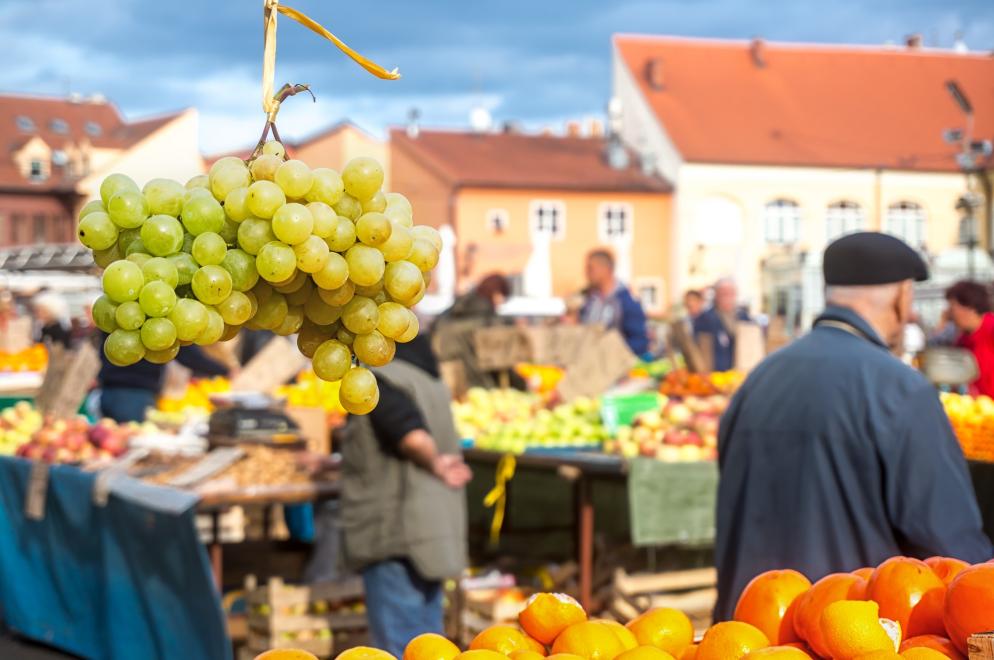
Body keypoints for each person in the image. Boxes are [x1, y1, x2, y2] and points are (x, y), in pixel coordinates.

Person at [714, 232, 992, 620]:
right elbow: (954, 548)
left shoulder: (758, 380)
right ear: (900, 295)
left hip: (747, 632)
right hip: (844, 633)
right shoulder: (899, 388)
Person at [337, 334, 470, 656]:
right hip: (432, 530)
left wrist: (435, 463)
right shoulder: (427, 375)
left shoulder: (379, 380)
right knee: (428, 643)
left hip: (396, 533)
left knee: (400, 645)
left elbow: (410, 434)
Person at [97, 336, 232, 422]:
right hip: (134, 394)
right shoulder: (156, 312)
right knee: (130, 444)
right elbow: (186, 355)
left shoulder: (121, 307)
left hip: (107, 391)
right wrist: (225, 370)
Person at [431, 273, 513, 388]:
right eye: (503, 298)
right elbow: (500, 359)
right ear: (496, 294)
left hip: (444, 378)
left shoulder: (458, 307)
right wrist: (521, 384)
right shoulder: (488, 318)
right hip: (477, 382)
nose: (501, 303)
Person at [579, 249, 649, 356]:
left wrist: (612, 352)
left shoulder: (626, 301)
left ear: (605, 269)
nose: (586, 273)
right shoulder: (588, 299)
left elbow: (639, 341)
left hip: (615, 367)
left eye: (590, 268)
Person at [945, 280, 994, 397]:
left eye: (952, 307)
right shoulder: (961, 341)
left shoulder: (991, 328)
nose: (949, 314)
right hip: (980, 411)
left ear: (969, 307)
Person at [693, 278, 751, 372]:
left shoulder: (743, 317)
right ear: (716, 295)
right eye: (723, 294)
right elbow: (700, 349)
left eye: (731, 293)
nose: (727, 298)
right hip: (715, 375)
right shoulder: (705, 318)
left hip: (741, 373)